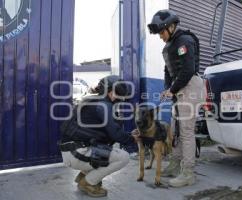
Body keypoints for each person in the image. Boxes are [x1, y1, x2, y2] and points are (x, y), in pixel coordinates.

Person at [148, 9, 205, 187]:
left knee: (186, 131)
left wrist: (173, 89)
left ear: (171, 27)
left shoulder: (184, 40)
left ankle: (188, 173)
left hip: (190, 86)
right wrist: (168, 89)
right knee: (177, 129)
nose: (160, 37)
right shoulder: (169, 47)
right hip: (179, 87)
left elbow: (187, 69)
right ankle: (174, 165)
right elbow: (168, 70)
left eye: (161, 32)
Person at [59, 75, 139, 197]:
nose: (119, 96)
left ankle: (85, 175)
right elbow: (115, 134)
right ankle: (87, 182)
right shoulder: (104, 105)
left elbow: (108, 134)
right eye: (117, 92)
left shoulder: (93, 100)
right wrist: (132, 139)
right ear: (109, 91)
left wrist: (128, 135)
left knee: (106, 147)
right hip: (77, 153)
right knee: (123, 157)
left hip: (72, 151)